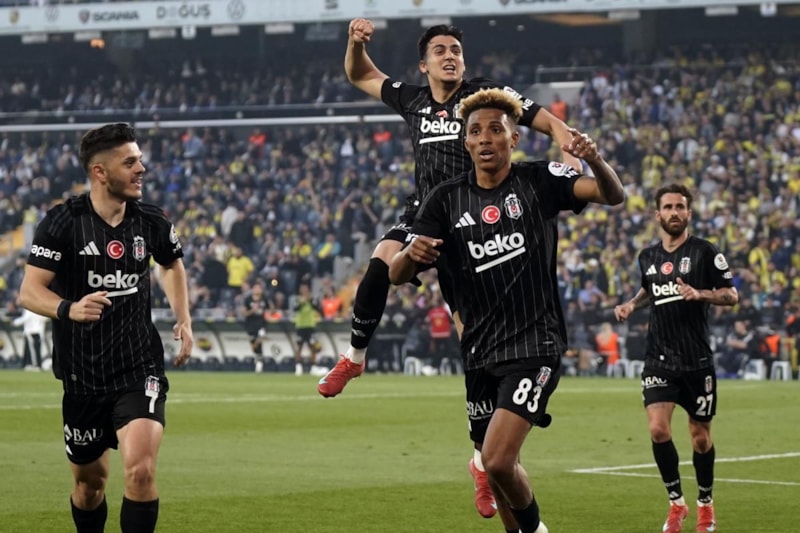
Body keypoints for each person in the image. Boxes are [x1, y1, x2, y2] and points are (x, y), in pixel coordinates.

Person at [317, 18, 582, 519]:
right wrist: (354, 43)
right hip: (429, 215)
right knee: (381, 263)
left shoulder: (484, 98)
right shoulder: (413, 100)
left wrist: (570, 156)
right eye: (439, 50)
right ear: (424, 64)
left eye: (455, 49)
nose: (449, 55)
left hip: (473, 230)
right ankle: (354, 356)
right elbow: (360, 74)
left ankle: (485, 461)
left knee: (477, 349)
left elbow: (549, 122)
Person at [389, 88, 624, 533]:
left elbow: (611, 194)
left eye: (495, 129)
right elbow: (398, 274)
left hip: (534, 344)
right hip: (479, 351)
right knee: (497, 470)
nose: (485, 138)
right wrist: (409, 254)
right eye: (475, 131)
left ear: (513, 138)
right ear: (464, 141)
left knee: (496, 459)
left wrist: (595, 160)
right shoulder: (444, 199)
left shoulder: (540, 179)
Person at [18, 122, 193, 533]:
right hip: (82, 375)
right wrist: (70, 308)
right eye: (129, 162)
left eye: (140, 160)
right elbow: (29, 292)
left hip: (139, 367)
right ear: (100, 171)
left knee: (141, 472)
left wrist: (183, 317)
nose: (141, 169)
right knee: (89, 486)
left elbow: (170, 263)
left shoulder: (151, 220)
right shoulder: (63, 222)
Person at [613, 183, 738, 533]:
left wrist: (701, 294)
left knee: (700, 438)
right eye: (668, 207)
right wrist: (630, 305)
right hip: (659, 359)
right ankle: (676, 504)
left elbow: (732, 295)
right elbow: (649, 288)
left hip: (696, 361)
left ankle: (705, 504)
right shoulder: (647, 256)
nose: (674, 213)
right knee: (657, 429)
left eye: (680, 207)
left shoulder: (705, 252)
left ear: (689, 213)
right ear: (657, 214)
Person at [12, 305, 49, 371]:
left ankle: (35, 365)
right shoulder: (40, 308)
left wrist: (14, 322)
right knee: (33, 349)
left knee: (33, 350)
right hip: (37, 332)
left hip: (32, 332)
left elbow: (25, 318)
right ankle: (29, 364)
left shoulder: (30, 309)